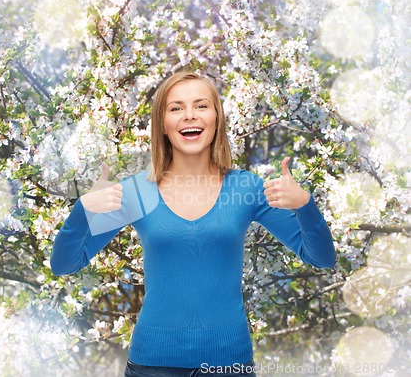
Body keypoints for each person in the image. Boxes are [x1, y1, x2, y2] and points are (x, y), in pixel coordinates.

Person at [50, 72, 336, 377]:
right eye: (175, 108)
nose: (189, 116)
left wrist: (305, 206)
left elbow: (320, 257)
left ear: (217, 118)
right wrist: (82, 210)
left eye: (201, 106)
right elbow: (64, 264)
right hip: (152, 366)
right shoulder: (138, 192)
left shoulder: (245, 189)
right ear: (161, 124)